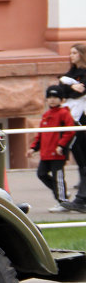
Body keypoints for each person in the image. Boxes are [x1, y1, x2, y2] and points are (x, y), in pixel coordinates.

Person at [30, 85, 76, 211]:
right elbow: (40, 135)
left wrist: (61, 145)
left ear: (61, 99)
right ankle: (61, 193)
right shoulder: (46, 115)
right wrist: (33, 148)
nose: (52, 99)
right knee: (41, 174)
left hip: (58, 153)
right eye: (49, 97)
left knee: (58, 177)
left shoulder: (64, 113)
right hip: (46, 153)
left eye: (55, 97)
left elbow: (69, 131)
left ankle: (63, 202)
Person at [57, 44, 86, 212]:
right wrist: (70, 87)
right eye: (70, 52)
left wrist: (69, 88)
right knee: (81, 160)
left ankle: (81, 200)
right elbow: (58, 90)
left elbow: (77, 93)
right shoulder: (72, 73)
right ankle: (81, 199)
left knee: (83, 160)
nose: (71, 55)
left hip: (81, 120)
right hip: (72, 119)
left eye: (75, 52)